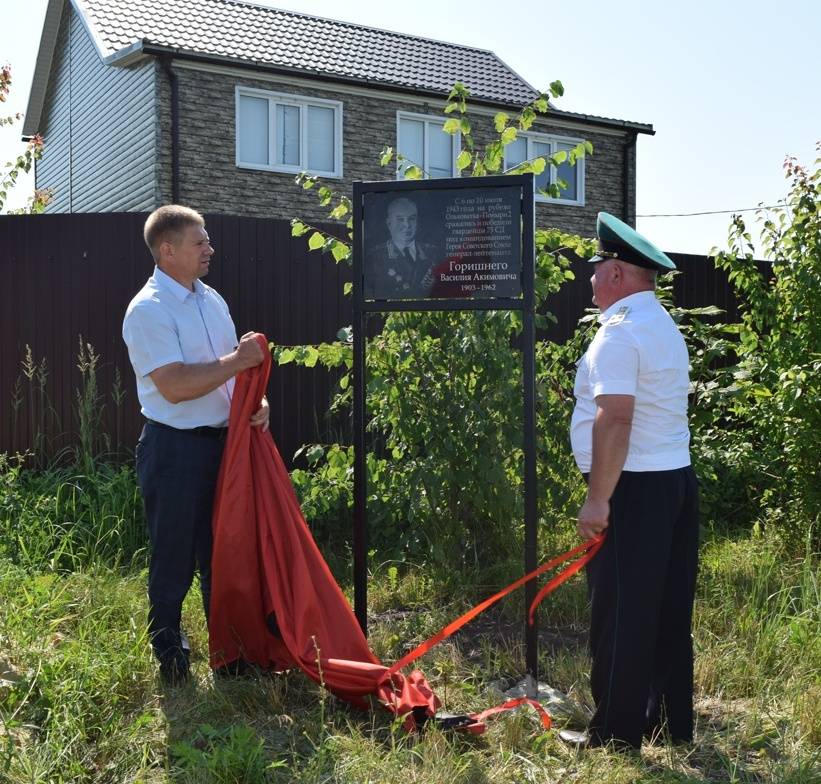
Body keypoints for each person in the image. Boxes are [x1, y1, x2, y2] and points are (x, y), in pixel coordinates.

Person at [560, 212, 699, 751]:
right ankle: (666, 722)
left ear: (617, 273)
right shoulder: (662, 325)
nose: (591, 280)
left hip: (633, 488)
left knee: (621, 614)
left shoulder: (618, 334)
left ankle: (615, 735)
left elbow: (615, 417)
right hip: (674, 481)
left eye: (597, 270)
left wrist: (598, 500)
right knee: (666, 607)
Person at [122, 205, 268, 686]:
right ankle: (171, 658)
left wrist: (256, 401)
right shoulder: (148, 310)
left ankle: (230, 655)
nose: (210, 249)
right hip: (174, 450)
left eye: (207, 240)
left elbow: (227, 372)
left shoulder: (212, 300)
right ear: (168, 250)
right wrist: (239, 361)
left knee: (222, 554)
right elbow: (175, 386)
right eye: (199, 242)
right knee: (174, 558)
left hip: (224, 445)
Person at [364, 196, 438, 298]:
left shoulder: (433, 252)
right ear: (389, 223)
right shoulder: (375, 257)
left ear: (417, 222)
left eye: (411, 219)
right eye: (400, 219)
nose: (407, 225)